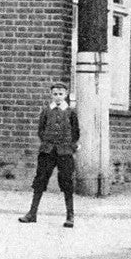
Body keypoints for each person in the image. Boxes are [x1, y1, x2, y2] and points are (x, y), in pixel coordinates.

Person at [19, 80, 80, 228]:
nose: (58, 97)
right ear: (51, 95)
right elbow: (41, 130)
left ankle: (70, 216)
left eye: (61, 94)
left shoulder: (71, 112)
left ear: (65, 95)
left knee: (66, 181)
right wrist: (47, 142)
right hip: (47, 151)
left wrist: (70, 146)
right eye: (55, 94)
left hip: (65, 152)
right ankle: (32, 213)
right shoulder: (46, 111)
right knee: (40, 180)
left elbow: (76, 132)